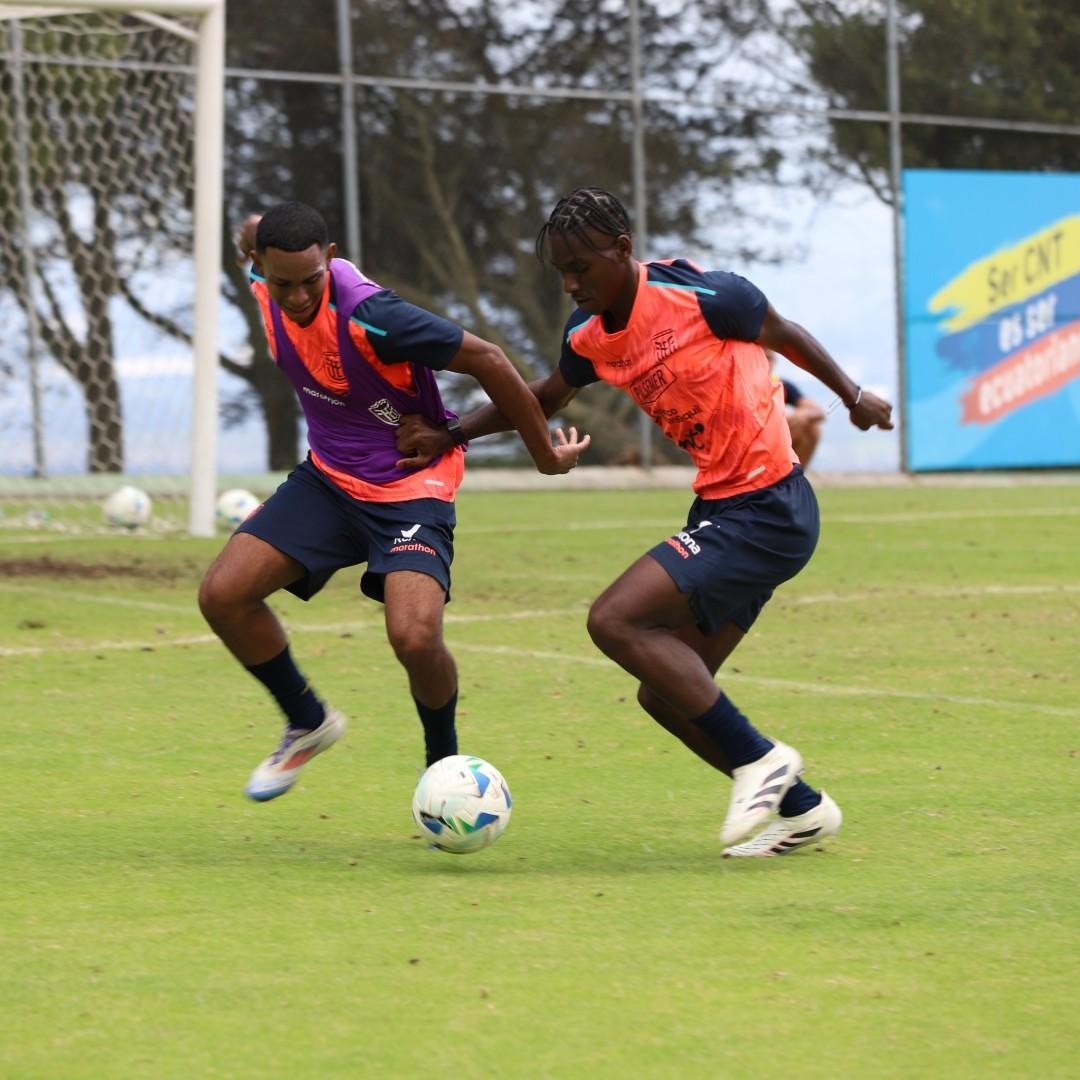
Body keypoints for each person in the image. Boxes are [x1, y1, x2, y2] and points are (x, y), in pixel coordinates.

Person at [394, 187, 893, 857]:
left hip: (769, 504)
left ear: (623, 249)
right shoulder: (589, 335)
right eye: (562, 272)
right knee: (665, 694)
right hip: (724, 509)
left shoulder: (707, 297)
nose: (571, 285)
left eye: (582, 268)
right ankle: (803, 810)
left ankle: (760, 760)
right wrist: (452, 433)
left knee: (613, 619)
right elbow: (543, 397)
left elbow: (786, 334)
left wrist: (852, 396)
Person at [199, 201, 589, 802]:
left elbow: (487, 359)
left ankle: (444, 772)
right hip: (328, 481)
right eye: (282, 283)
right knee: (223, 595)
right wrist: (249, 228)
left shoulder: (374, 317)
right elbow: (252, 236)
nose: (297, 297)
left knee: (414, 637)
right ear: (259, 268)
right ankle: (307, 722)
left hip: (410, 487)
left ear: (330, 259)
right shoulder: (262, 283)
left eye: (310, 281)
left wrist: (543, 454)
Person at [769, 351, 827, 468]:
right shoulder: (742, 382)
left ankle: (796, 473)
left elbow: (818, 411)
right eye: (763, 357)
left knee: (811, 427)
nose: (766, 363)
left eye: (769, 358)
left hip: (773, 438)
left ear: (774, 361)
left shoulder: (781, 384)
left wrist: (801, 415)